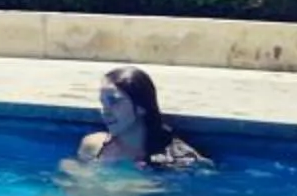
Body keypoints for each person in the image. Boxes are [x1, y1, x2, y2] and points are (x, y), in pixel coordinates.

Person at [75, 66, 210, 170]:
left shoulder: (177, 158)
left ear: (141, 107)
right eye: (102, 102)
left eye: (114, 101)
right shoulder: (93, 146)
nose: (105, 111)